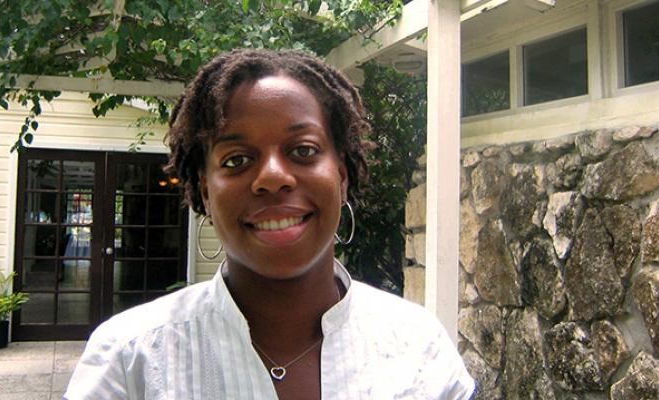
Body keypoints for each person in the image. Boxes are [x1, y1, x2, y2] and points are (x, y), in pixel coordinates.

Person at [64, 49, 474, 400]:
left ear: (342, 175)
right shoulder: (128, 360)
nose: (273, 176)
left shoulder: (419, 349)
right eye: (237, 159)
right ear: (205, 190)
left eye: (303, 150)